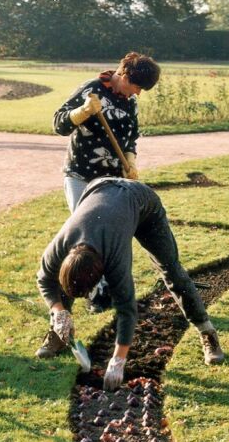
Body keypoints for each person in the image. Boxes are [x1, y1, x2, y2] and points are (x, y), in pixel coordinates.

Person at [35, 179, 225, 391]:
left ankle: (207, 332)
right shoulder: (59, 248)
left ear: (102, 274)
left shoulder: (115, 259)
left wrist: (118, 360)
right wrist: (58, 310)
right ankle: (60, 333)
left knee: (172, 272)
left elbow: (127, 310)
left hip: (142, 203)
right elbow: (44, 279)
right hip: (99, 189)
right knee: (68, 283)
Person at [53, 51, 160, 313]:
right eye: (136, 86)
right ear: (123, 75)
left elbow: (130, 137)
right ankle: (91, 293)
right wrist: (83, 111)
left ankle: (108, 289)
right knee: (87, 235)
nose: (138, 93)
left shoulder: (130, 102)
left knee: (110, 234)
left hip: (112, 179)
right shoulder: (92, 89)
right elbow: (58, 123)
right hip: (80, 174)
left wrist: (131, 161)